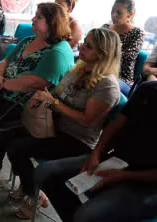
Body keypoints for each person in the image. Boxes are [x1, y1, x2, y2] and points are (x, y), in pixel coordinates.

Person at [6, 28, 121, 219]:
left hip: (77, 140)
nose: (82, 46)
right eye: (85, 41)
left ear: (103, 54)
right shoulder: (79, 68)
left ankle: (34, 194)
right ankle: (30, 186)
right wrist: (42, 97)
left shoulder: (107, 85)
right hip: (55, 126)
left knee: (19, 148)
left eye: (89, 46)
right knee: (8, 134)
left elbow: (86, 121)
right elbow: (58, 95)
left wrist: (53, 102)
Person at [0, 2, 74, 173]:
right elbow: (5, 61)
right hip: (7, 91)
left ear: (52, 23)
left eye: (39, 17)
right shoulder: (29, 40)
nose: (33, 19)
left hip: (28, 103)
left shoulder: (57, 51)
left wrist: (3, 84)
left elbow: (36, 82)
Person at [37, 81, 157, 222]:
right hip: (117, 161)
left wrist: (124, 175)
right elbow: (116, 125)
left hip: (149, 185)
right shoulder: (148, 89)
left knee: (87, 216)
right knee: (44, 173)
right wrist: (97, 153)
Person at [103, 0, 144, 96]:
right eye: (112, 11)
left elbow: (125, 57)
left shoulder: (137, 33)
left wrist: (99, 52)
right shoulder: (105, 28)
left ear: (130, 15)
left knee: (100, 82)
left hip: (122, 77)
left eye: (119, 12)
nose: (114, 15)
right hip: (100, 70)